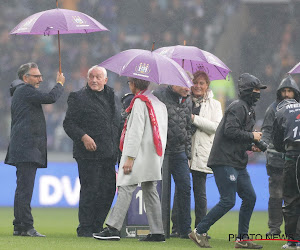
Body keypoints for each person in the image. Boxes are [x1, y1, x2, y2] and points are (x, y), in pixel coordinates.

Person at [189, 73, 266, 249]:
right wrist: (252, 136)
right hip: (224, 160)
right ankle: (199, 231)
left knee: (250, 197)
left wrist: (251, 144)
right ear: (247, 90)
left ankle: (242, 239)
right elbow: (230, 131)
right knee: (228, 200)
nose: (258, 93)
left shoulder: (247, 108)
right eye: (255, 89)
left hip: (237, 162)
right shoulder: (238, 107)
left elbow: (235, 136)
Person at [93, 77, 168, 241]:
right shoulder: (159, 104)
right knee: (150, 190)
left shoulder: (140, 102)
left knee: (126, 186)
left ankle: (113, 228)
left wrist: (129, 158)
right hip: (154, 155)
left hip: (138, 156)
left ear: (133, 85)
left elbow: (135, 132)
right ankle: (157, 232)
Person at [5, 62, 65, 237]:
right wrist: (59, 83)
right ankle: (26, 226)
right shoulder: (25, 90)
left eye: (40, 76)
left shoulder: (21, 93)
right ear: (25, 78)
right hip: (26, 147)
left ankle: (19, 226)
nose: (40, 79)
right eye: (36, 76)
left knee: (22, 188)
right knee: (25, 189)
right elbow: (50, 98)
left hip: (23, 147)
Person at [63, 65, 120, 237]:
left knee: (109, 190)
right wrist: (83, 136)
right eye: (91, 77)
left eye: (98, 77)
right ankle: (85, 228)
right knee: (90, 190)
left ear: (105, 80)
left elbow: (116, 122)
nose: (94, 80)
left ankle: (97, 225)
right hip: (88, 154)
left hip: (109, 153)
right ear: (87, 79)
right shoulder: (78, 97)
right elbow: (69, 124)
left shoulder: (112, 96)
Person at [261, 75, 300, 236]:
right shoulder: (273, 109)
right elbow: (267, 131)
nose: (286, 94)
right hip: (276, 159)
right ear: (279, 93)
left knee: (294, 197)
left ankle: (294, 231)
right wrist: (263, 144)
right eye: (283, 91)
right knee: (276, 195)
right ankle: (274, 228)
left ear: (295, 93)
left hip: (294, 159)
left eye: (289, 91)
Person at [153, 83, 192, 238]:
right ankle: (160, 228)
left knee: (185, 188)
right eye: (184, 84)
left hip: (180, 152)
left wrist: (188, 154)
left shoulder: (187, 101)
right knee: (161, 191)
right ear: (173, 84)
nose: (188, 88)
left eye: (189, 85)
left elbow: (188, 129)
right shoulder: (159, 96)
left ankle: (185, 229)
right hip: (162, 152)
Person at [273, 98, 300, 249]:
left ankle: (293, 242)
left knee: (291, 199)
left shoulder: (281, 111)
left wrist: (285, 150)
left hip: (293, 157)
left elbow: (277, 141)